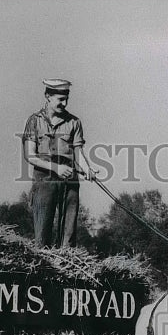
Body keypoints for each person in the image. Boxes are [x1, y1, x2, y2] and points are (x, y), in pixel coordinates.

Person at [21, 78, 97, 248]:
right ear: (48, 96)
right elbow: (29, 155)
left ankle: (67, 264)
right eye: (60, 99)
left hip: (69, 179)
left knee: (68, 233)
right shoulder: (34, 121)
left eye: (67, 99)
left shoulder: (74, 122)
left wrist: (88, 169)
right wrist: (56, 168)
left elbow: (78, 152)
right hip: (44, 179)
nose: (65, 103)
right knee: (42, 233)